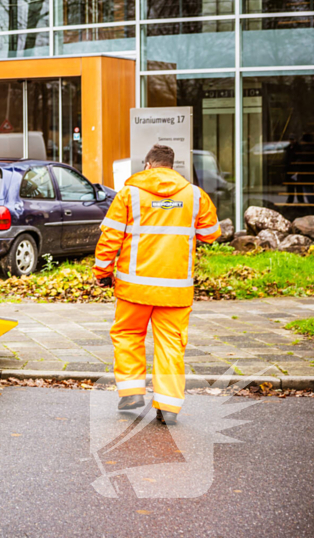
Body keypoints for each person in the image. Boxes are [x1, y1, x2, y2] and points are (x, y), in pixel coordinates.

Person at [93, 144, 219, 425]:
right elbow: (211, 233)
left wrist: (102, 271)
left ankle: (131, 393)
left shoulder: (129, 193)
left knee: (128, 335)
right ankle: (169, 407)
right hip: (175, 289)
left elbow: (110, 237)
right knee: (171, 345)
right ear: (172, 167)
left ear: (148, 165)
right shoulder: (194, 195)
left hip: (133, 287)